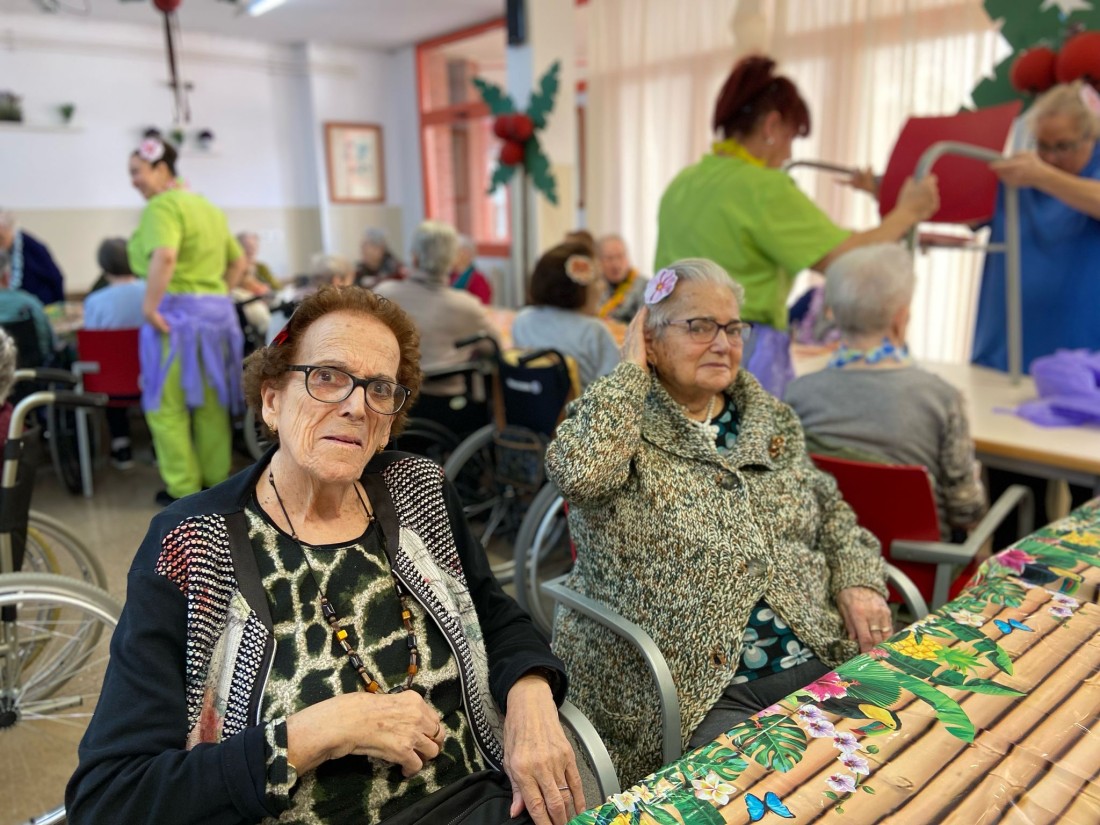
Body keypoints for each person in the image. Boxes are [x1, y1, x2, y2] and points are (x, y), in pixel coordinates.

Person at [67, 286, 584, 825]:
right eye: (328, 377)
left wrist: (530, 696)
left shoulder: (419, 492)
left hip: (478, 803)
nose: (356, 406)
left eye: (379, 389)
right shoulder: (193, 543)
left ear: (387, 425)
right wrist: (324, 730)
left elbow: (495, 615)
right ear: (272, 401)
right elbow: (111, 797)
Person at [544, 258, 889, 783]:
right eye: (700, 326)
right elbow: (580, 476)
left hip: (818, 651)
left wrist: (858, 580)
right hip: (697, 689)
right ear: (650, 338)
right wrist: (631, 371)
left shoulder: (770, 419)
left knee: (905, 757)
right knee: (772, 795)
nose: (723, 343)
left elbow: (831, 513)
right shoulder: (615, 420)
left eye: (732, 328)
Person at [653, 55, 939, 398]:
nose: (789, 154)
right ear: (772, 126)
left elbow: (833, 242)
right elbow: (846, 260)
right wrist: (908, 212)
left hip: (670, 350)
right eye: (791, 137)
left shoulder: (683, 182)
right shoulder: (763, 188)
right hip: (736, 354)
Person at [785, 244, 986, 539]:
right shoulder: (942, 398)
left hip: (826, 559)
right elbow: (966, 511)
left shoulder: (797, 394)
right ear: (900, 319)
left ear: (832, 314)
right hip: (917, 565)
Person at [971, 79, 1100, 540]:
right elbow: (960, 202)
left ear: (1091, 136)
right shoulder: (1020, 172)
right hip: (1008, 360)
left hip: (1084, 376)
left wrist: (1043, 175)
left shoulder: (1041, 173)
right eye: (1041, 145)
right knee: (1011, 498)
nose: (1049, 156)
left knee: (1088, 512)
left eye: (1062, 146)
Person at [126, 136, 247, 505]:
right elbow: (239, 261)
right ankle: (216, 484)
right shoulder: (207, 207)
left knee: (167, 407)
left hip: (174, 322)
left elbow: (164, 256)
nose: (133, 180)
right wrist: (215, 298)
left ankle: (182, 490)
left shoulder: (161, 206)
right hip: (217, 321)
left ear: (161, 169)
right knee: (212, 406)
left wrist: (150, 307)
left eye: (137, 171)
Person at [375, 221, 497, 435]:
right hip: (447, 406)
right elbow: (494, 347)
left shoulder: (384, 294)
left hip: (395, 401)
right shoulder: (466, 306)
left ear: (414, 257)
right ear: (453, 260)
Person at [512, 241, 620, 389]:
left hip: (528, 403)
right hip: (580, 404)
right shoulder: (593, 332)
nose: (603, 287)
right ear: (578, 288)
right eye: (597, 280)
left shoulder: (522, 321)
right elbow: (618, 390)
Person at [83, 237, 147, 469]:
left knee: (109, 370)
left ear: (104, 266)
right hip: (151, 376)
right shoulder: (152, 291)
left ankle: (121, 444)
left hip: (110, 383)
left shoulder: (95, 301)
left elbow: (93, 343)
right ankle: (157, 446)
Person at [0, 209, 65, 306]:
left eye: (1, 237)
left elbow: (56, 277)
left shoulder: (32, 247)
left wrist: (59, 305)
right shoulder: (5, 250)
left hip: (39, 306)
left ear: (9, 229)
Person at [595, 234, 648, 323]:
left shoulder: (645, 287)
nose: (616, 264)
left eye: (620, 256)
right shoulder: (593, 288)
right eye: (609, 258)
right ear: (599, 261)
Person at [449, 234, 493, 305]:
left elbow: (481, 305)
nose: (448, 256)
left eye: (454, 252)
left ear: (466, 254)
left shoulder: (478, 279)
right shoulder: (449, 275)